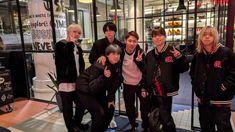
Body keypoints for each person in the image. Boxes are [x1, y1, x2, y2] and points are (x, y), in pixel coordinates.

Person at [143, 27, 189, 132]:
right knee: (154, 116)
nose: (157, 38)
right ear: (152, 38)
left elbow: (184, 69)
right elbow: (146, 73)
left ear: (165, 37)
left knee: (165, 117)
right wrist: (144, 88)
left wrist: (180, 58)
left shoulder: (172, 52)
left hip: (166, 91)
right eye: (154, 36)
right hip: (152, 91)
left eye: (160, 35)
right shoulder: (150, 55)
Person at [189, 26, 235, 132]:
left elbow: (233, 72)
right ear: (200, 38)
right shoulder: (198, 55)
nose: (207, 37)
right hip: (203, 100)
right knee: (206, 127)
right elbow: (193, 74)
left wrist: (225, 86)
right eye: (204, 35)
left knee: (224, 128)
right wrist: (197, 87)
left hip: (221, 100)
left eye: (210, 34)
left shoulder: (226, 52)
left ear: (215, 37)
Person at [76, 44, 121, 132]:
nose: (116, 56)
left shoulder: (116, 64)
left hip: (98, 90)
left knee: (110, 109)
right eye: (113, 54)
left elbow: (114, 83)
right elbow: (92, 87)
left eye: (118, 54)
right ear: (107, 55)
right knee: (98, 113)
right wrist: (104, 77)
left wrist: (110, 99)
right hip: (85, 90)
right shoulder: (99, 65)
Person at [55, 23, 88, 132]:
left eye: (79, 32)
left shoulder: (77, 46)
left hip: (77, 81)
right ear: (68, 32)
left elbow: (81, 63)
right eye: (75, 31)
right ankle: (71, 128)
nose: (77, 34)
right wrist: (70, 44)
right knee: (68, 107)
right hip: (66, 82)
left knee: (81, 104)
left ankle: (76, 123)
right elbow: (63, 62)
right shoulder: (61, 45)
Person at [120, 31, 150, 132]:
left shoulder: (140, 52)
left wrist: (139, 62)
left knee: (145, 108)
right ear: (125, 41)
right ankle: (133, 126)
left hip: (140, 84)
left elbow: (146, 71)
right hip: (127, 84)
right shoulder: (120, 52)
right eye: (130, 41)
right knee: (129, 108)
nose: (132, 43)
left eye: (135, 41)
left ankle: (145, 127)